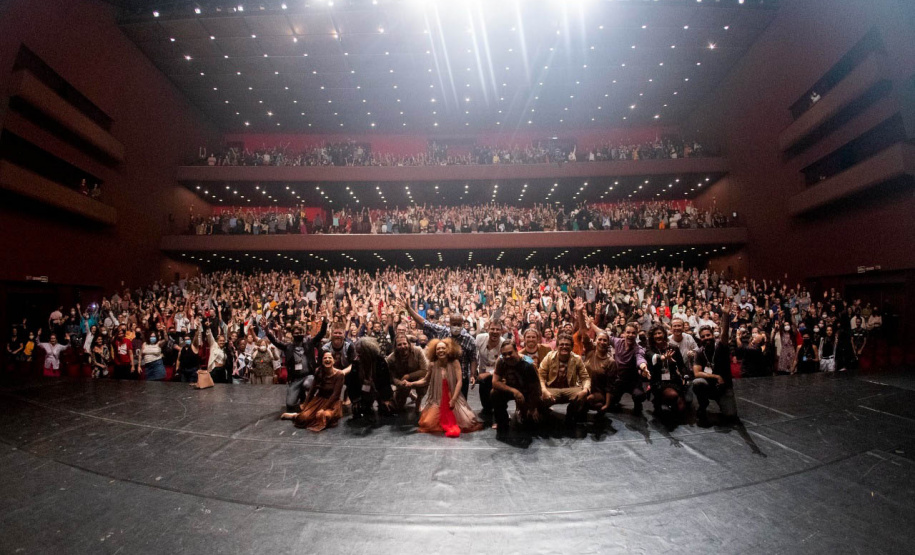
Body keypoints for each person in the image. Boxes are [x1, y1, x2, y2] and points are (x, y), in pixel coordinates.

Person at [401, 294, 477, 400]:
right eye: (454, 324)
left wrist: (473, 375)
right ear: (449, 324)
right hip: (444, 376)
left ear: (462, 324)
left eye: (459, 324)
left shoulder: (469, 339)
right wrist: (409, 309)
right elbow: (424, 322)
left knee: (461, 404)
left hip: (462, 377)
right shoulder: (443, 331)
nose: (456, 326)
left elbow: (473, 358)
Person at [408, 338, 482, 437]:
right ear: (434, 351)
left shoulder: (455, 362)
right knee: (428, 423)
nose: (440, 350)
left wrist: (453, 399)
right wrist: (411, 384)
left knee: (466, 421)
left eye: (443, 348)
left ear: (448, 349)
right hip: (437, 398)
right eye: (438, 349)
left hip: (452, 396)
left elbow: (460, 381)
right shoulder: (432, 364)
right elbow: (425, 380)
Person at [265, 317, 327, 412]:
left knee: (307, 384)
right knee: (290, 404)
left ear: (304, 333)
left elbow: (321, 334)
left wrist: (325, 322)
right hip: (296, 379)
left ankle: (310, 398)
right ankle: (301, 395)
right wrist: (266, 329)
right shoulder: (288, 347)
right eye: (296, 333)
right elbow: (275, 342)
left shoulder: (309, 344)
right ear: (293, 334)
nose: (299, 334)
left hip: (308, 376)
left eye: (300, 332)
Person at [692, 302, 738, 424]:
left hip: (724, 387)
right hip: (709, 385)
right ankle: (703, 404)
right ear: (700, 339)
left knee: (730, 415)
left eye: (708, 335)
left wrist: (726, 315)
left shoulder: (721, 347)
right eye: (703, 336)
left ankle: (721, 401)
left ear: (713, 336)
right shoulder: (699, 352)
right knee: (697, 383)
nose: (706, 338)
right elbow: (697, 373)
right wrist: (716, 376)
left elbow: (724, 334)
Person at [281, 352, 344, 432]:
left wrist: (323, 409)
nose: (327, 360)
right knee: (303, 418)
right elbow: (312, 390)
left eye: (330, 358)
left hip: (332, 403)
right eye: (325, 358)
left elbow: (335, 395)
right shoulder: (318, 371)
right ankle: (295, 416)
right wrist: (305, 405)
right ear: (321, 361)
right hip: (319, 400)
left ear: (334, 361)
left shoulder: (339, 374)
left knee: (325, 416)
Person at [491, 338, 543, 436]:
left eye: (510, 353)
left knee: (529, 424)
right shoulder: (501, 360)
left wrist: (533, 408)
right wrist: (514, 391)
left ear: (516, 351)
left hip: (527, 392)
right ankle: (502, 420)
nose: (507, 356)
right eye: (504, 354)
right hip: (511, 390)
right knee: (494, 393)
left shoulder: (528, 364)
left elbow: (536, 389)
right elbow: (495, 382)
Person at [538, 333, 590, 426]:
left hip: (570, 389)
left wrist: (585, 390)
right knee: (539, 397)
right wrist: (543, 390)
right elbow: (540, 375)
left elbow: (585, 377)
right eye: (561, 344)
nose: (564, 347)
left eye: (567, 344)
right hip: (552, 389)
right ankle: (547, 415)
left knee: (583, 395)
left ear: (572, 347)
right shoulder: (549, 356)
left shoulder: (577, 359)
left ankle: (571, 414)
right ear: (557, 346)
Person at [645, 325, 690, 420]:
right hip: (658, 380)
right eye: (655, 334)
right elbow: (653, 359)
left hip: (673, 379)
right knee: (672, 395)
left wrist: (685, 376)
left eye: (659, 333)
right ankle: (657, 401)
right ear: (652, 337)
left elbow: (682, 366)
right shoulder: (650, 349)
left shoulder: (673, 348)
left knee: (682, 409)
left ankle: (670, 403)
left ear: (664, 334)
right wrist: (663, 358)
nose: (658, 336)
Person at [346, 337, 394, 421]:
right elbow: (352, 384)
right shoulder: (356, 363)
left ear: (368, 352)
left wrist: (385, 399)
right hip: (363, 391)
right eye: (357, 352)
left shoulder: (380, 361)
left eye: (360, 353)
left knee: (388, 409)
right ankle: (366, 403)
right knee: (358, 410)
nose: (358, 355)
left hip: (378, 389)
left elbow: (386, 382)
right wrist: (355, 400)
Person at [607, 323, 650, 414]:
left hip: (633, 382)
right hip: (619, 380)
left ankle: (638, 404)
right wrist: (591, 324)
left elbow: (640, 359)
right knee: (610, 402)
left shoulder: (638, 349)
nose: (630, 335)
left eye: (633, 333)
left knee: (639, 395)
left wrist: (644, 367)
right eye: (628, 332)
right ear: (624, 333)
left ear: (636, 335)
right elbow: (603, 334)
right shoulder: (618, 342)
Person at [387, 333, 429, 412]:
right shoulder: (391, 358)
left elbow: (424, 370)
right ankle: (409, 394)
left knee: (423, 382)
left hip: (417, 377)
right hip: (402, 381)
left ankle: (418, 402)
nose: (403, 346)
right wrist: (399, 383)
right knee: (398, 407)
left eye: (404, 343)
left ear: (408, 344)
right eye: (399, 345)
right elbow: (390, 376)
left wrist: (408, 376)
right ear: (396, 347)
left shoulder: (418, 351)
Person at [473, 319, 504, 418]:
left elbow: (503, 364)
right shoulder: (479, 338)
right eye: (492, 329)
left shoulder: (503, 344)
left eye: (498, 329)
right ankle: (486, 408)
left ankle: (498, 410)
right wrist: (473, 374)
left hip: (498, 371)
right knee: (483, 392)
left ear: (501, 331)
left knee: (494, 389)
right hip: (482, 369)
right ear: (488, 329)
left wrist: (488, 374)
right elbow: (474, 357)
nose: (495, 331)